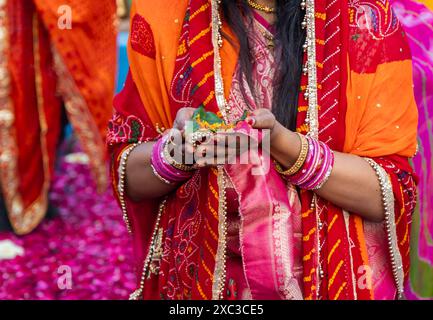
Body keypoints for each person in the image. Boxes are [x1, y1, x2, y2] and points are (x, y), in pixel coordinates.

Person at [108, 0, 418, 300]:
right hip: (202, 281)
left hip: (328, 279)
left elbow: (390, 192)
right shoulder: (166, 13)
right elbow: (128, 177)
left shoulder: (364, 18)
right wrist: (176, 154)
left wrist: (287, 148)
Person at [0, 0, 117, 235]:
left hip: (36, 30)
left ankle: (33, 196)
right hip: (16, 30)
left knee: (42, 103)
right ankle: (15, 203)